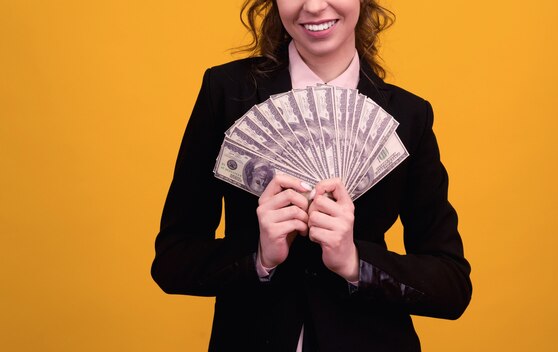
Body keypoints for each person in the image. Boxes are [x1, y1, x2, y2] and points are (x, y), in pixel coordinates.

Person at [151, 0, 472, 351]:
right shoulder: (227, 92)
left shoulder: (409, 117)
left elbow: (451, 286)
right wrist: (260, 256)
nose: (315, 6)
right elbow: (172, 261)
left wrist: (354, 263)